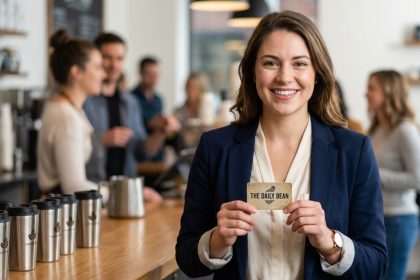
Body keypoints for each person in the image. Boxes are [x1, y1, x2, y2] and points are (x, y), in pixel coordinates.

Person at [176, 11, 387, 279]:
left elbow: (377, 266)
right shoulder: (215, 147)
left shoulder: (353, 151)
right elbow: (186, 258)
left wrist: (329, 241)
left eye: (299, 64)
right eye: (271, 63)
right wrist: (217, 240)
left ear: (317, 74)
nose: (285, 77)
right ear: (252, 72)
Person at [83, 33, 170, 202]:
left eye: (120, 58)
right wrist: (102, 140)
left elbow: (142, 151)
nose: (114, 65)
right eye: (107, 57)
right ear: (95, 59)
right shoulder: (84, 100)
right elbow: (71, 150)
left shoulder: (131, 102)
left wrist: (162, 130)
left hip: (125, 196)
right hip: (91, 196)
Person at [366, 69, 420, 280]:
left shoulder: (405, 130)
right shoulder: (377, 129)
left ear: (388, 92)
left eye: (372, 88)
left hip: (400, 219)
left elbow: (417, 178)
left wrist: (376, 174)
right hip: (378, 218)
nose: (366, 93)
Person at [37, 29, 104, 195]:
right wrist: (118, 195)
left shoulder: (72, 109)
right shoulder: (66, 117)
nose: (103, 74)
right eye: (97, 67)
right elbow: (73, 186)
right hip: (62, 216)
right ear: (76, 72)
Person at [131, 56, 180, 161]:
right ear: (141, 73)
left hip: (158, 154)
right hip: (139, 155)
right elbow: (148, 122)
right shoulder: (131, 99)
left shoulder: (158, 99)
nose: (154, 79)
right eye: (150, 75)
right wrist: (166, 121)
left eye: (156, 75)